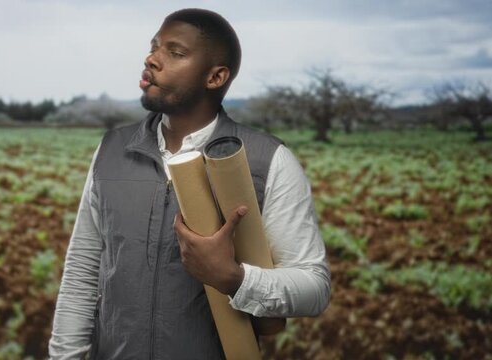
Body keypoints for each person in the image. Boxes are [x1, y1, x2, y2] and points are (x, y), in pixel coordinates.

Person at [49, 8, 330, 359]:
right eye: (154, 47)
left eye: (175, 52)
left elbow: (314, 286)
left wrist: (233, 278)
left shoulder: (268, 159)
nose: (152, 58)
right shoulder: (110, 150)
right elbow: (82, 271)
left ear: (215, 77)